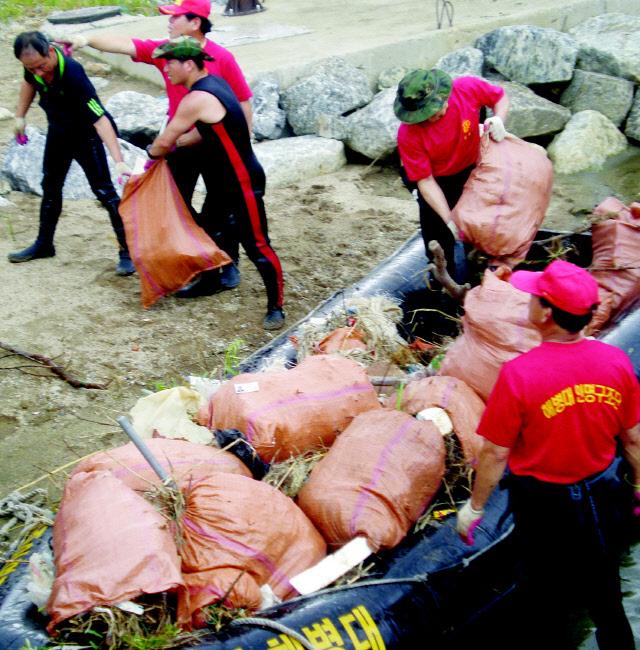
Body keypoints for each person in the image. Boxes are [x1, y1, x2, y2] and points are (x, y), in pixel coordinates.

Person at [456, 260, 640, 650]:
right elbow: (635, 440)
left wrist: (474, 508)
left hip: (544, 506)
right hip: (602, 497)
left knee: (544, 602)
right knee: (608, 599)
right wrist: (639, 487)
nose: (527, 301)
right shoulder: (616, 362)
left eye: (534, 297)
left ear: (546, 313)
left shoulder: (519, 374)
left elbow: (494, 453)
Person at [61, 0, 253, 289]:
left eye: (175, 17)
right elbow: (127, 44)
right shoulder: (167, 51)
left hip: (214, 143)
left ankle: (228, 262)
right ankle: (204, 252)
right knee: (177, 202)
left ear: (195, 22)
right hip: (178, 144)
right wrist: (85, 39)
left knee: (221, 203)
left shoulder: (220, 58)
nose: (169, 22)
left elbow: (242, 101)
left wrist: (243, 144)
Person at [146, 36, 285, 331]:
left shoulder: (195, 99)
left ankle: (276, 306)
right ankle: (210, 281)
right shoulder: (216, 84)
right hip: (223, 180)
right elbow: (215, 126)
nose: (166, 69)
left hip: (241, 180)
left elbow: (163, 141)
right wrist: (185, 141)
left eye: (170, 63)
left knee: (257, 244)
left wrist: (152, 153)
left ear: (188, 64)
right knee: (207, 230)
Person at [8, 31, 134, 276]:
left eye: (42, 66)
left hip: (87, 135)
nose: (39, 72)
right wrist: (20, 116)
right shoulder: (34, 68)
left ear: (51, 52)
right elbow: (29, 82)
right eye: (32, 68)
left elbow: (100, 118)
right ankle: (44, 243)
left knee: (104, 191)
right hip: (59, 133)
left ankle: (127, 251)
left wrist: (118, 161)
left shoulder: (73, 73)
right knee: (51, 186)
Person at [393, 68, 509, 276]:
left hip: (471, 167)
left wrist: (499, 118)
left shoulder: (466, 88)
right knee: (438, 234)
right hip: (437, 179)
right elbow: (426, 182)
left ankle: (480, 272)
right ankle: (442, 282)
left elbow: (499, 97)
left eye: (435, 109)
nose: (433, 117)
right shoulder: (408, 135)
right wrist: (449, 219)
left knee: (479, 226)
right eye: (425, 115)